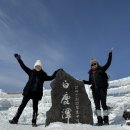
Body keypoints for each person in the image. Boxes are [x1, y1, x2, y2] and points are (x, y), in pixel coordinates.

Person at [9, 53, 60, 127]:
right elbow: (23, 67)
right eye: (36, 66)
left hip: (36, 94)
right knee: (22, 106)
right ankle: (15, 119)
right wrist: (19, 59)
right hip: (28, 92)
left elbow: (51, 77)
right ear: (35, 66)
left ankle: (34, 122)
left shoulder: (43, 75)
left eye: (39, 66)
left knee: (35, 108)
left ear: (41, 67)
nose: (38, 67)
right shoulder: (31, 72)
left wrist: (56, 72)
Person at [83, 48, 113, 126]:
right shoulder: (90, 74)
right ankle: (100, 121)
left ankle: (106, 121)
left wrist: (110, 54)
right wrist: (83, 81)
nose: (93, 65)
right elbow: (90, 82)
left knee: (103, 105)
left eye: (94, 64)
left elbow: (108, 63)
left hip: (102, 90)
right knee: (97, 107)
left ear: (97, 64)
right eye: (92, 64)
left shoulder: (101, 70)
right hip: (95, 91)